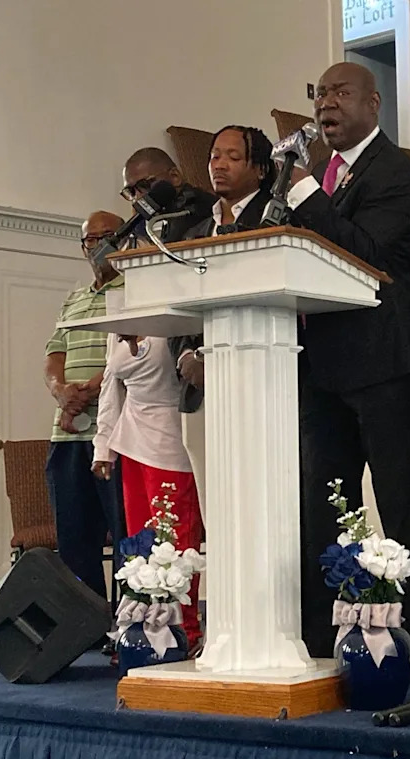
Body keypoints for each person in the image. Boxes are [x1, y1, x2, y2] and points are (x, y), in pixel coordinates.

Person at [282, 62, 410, 672]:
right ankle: (324, 635)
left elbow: (366, 255)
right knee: (323, 501)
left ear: (373, 103)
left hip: (382, 359)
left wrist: (304, 196)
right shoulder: (321, 174)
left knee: (394, 500)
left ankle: (403, 639)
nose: (326, 105)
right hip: (323, 364)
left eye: (341, 93)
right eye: (320, 95)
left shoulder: (396, 172)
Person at [169, 125, 277, 516]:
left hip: (262, 383)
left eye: (233, 157)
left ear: (259, 168)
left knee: (259, 500)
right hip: (198, 388)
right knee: (213, 507)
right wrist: (186, 357)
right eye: (215, 156)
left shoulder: (274, 221)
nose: (219, 165)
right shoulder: (194, 231)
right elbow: (177, 306)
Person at [91, 332, 203, 653]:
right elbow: (111, 385)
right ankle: (141, 631)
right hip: (131, 442)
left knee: (176, 546)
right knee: (138, 546)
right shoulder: (119, 324)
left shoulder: (173, 321)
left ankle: (184, 633)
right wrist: (103, 446)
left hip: (172, 439)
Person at [44, 211, 127, 607]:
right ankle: (87, 627)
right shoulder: (73, 299)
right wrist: (60, 391)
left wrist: (89, 390)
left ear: (123, 240)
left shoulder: (135, 291)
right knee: (74, 541)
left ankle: (130, 622)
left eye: (107, 236)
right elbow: (53, 353)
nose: (97, 246)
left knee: (126, 535)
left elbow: (128, 353)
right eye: (90, 240)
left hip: (114, 436)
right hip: (67, 436)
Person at [121, 147, 216, 244]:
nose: (138, 197)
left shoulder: (206, 207)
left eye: (144, 185)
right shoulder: (140, 225)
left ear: (175, 177)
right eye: (131, 191)